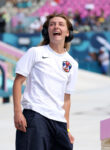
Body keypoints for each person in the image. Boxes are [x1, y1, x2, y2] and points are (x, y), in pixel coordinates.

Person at [13, 13, 78, 150]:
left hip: (59, 123)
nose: (56, 27)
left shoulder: (72, 63)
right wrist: (18, 112)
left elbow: (66, 99)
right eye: (52, 24)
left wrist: (67, 129)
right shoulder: (35, 52)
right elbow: (18, 82)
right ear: (47, 31)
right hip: (36, 117)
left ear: (67, 33)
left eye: (61, 24)